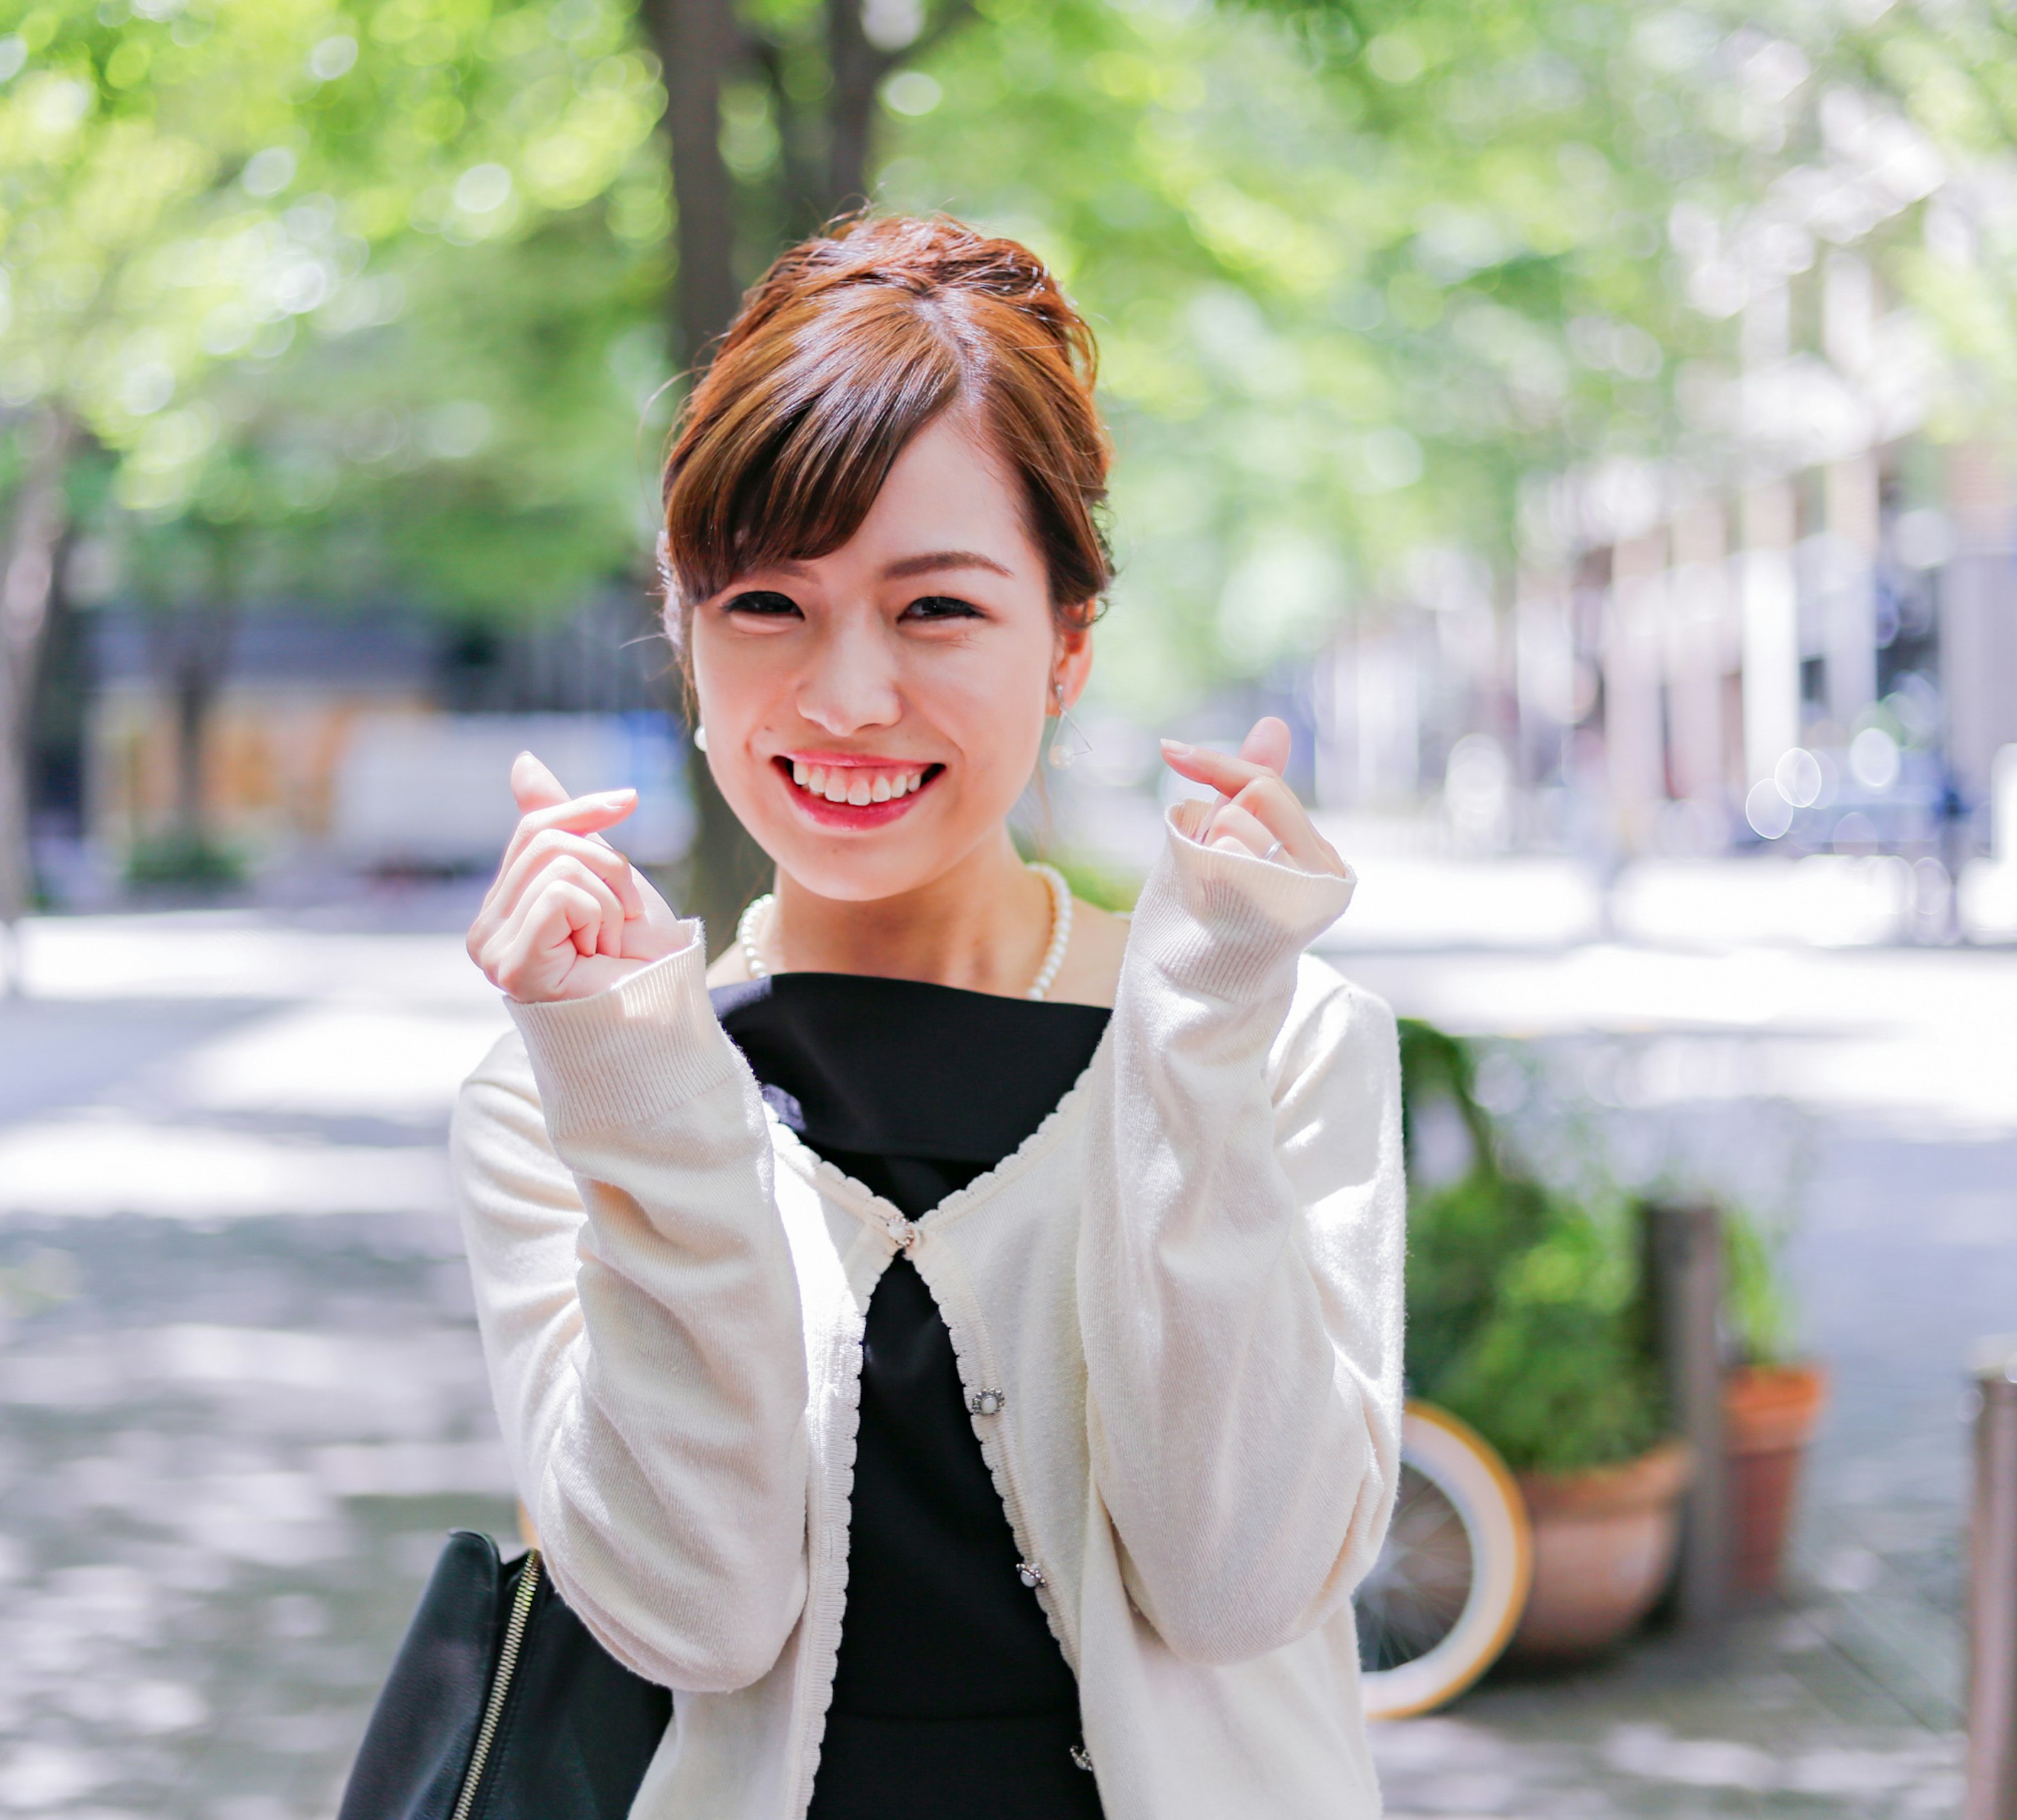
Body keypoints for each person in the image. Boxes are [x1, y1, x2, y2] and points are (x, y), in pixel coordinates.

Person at [453, 216, 1406, 1820]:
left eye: (938, 608)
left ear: (1068, 647)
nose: (844, 696)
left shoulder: (1275, 1031)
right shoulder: (564, 1089)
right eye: (766, 602)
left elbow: (1238, 1580)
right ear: (684, 637)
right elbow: (693, 1609)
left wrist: (1196, 1030)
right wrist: (627, 1078)